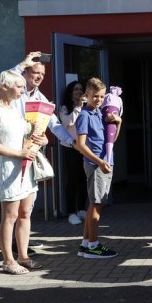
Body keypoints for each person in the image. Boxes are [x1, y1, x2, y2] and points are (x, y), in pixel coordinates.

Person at [2, 51, 76, 254]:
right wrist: (22, 63)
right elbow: (2, 79)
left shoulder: (40, 97)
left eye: (42, 74)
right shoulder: (13, 91)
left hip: (31, 156)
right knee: (11, 210)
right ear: (24, 73)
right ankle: (9, 254)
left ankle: (21, 245)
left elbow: (54, 124)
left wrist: (72, 142)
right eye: (35, 73)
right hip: (12, 155)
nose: (39, 77)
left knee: (27, 208)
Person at [0, 70, 44, 274]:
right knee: (9, 216)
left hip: (25, 168)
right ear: (4, 86)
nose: (22, 89)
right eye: (18, 86)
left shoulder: (15, 109)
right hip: (10, 168)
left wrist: (39, 139)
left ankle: (23, 256)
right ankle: (8, 260)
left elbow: (26, 135)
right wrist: (19, 153)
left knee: (25, 213)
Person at [75, 77, 122, 259]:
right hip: (96, 165)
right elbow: (81, 145)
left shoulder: (99, 113)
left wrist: (118, 122)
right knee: (96, 205)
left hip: (104, 164)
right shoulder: (85, 115)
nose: (99, 100)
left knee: (96, 204)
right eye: (95, 96)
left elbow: (112, 140)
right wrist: (100, 162)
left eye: (102, 97)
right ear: (86, 95)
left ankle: (86, 244)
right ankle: (93, 246)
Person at [58, 81, 88, 225]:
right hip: (70, 147)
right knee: (72, 180)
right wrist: (78, 107)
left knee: (84, 178)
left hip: (84, 147)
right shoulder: (64, 108)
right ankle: (71, 212)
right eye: (76, 89)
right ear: (70, 92)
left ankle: (82, 208)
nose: (78, 92)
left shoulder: (86, 107)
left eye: (81, 89)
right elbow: (68, 123)